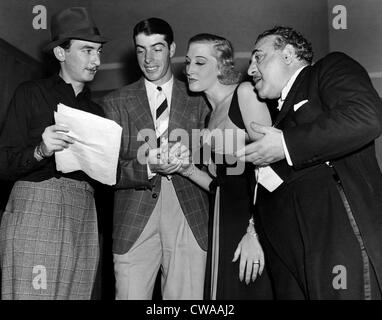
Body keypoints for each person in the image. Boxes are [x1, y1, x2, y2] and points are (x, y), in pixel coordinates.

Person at [236, 26, 382, 299]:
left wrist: (285, 145)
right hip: (292, 258)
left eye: (259, 57)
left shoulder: (327, 70)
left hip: (335, 240)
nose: (251, 69)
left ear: (289, 55)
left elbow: (366, 117)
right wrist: (253, 231)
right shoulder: (276, 115)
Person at [0, 7, 108, 299]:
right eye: (87, 51)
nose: (96, 60)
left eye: (98, 51)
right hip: (38, 207)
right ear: (61, 53)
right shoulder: (30, 93)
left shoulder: (98, 113)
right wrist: (40, 150)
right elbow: (4, 164)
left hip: (84, 211)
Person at [101, 18, 209, 300]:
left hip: (189, 213)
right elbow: (106, 171)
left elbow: (219, 161)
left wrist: (191, 160)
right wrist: (148, 165)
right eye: (140, 50)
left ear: (172, 48)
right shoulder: (114, 102)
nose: (148, 59)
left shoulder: (200, 97)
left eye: (157, 48)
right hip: (133, 218)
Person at [175, 33, 273, 299]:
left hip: (250, 223)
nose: (190, 70)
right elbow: (221, 186)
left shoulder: (244, 94)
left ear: (222, 66)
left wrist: (255, 232)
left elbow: (273, 169)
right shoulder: (210, 115)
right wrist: (186, 169)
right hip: (222, 223)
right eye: (188, 62)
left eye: (200, 62)